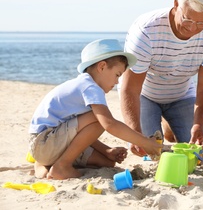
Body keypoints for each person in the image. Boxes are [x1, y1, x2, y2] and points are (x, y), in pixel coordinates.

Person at [119, 0, 203, 156]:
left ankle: (169, 123)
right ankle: (159, 119)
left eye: (201, 23)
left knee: (201, 148)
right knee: (149, 150)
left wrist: (199, 125)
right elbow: (130, 89)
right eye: (188, 19)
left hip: (181, 96)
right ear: (176, 4)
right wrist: (134, 133)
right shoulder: (146, 30)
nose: (193, 29)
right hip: (144, 96)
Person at [29, 39, 162, 180]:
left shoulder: (84, 85)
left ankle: (43, 165)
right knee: (99, 118)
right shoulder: (90, 86)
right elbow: (109, 124)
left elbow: (78, 131)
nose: (117, 82)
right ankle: (62, 165)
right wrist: (145, 142)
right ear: (102, 66)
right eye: (117, 75)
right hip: (44, 142)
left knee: (108, 162)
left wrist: (107, 150)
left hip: (46, 147)